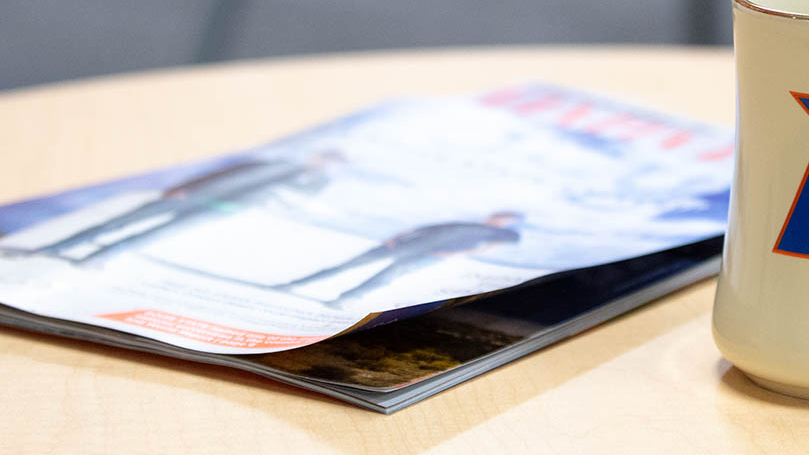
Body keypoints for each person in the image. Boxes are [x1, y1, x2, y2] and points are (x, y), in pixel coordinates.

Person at [31, 151, 342, 264]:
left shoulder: (314, 183)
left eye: (329, 163)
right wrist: (184, 187)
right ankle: (58, 247)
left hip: (224, 209)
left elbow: (297, 204)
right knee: (122, 222)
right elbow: (222, 175)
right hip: (195, 196)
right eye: (323, 158)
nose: (321, 163)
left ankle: (97, 258)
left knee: (153, 236)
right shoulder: (274, 162)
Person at [275, 211, 523, 306]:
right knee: (346, 266)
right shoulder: (462, 221)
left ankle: (344, 300)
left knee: (384, 278)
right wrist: (396, 236)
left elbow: (485, 249)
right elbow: (426, 226)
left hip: (430, 255)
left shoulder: (501, 234)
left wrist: (450, 254)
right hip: (406, 245)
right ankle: (293, 285)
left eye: (506, 219)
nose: (500, 220)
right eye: (501, 216)